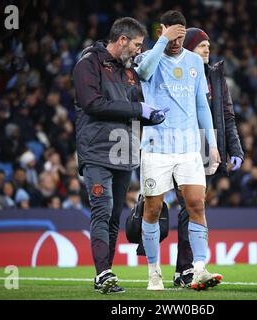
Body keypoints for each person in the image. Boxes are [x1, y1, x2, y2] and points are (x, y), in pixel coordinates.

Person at [72, 17, 166, 294]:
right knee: (101, 211)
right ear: (122, 40)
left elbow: (135, 107)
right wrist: (140, 111)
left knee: (114, 217)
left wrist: (153, 116)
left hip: (125, 152)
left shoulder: (129, 72)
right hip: (97, 151)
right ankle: (103, 273)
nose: (139, 51)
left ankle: (104, 274)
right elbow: (94, 104)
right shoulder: (88, 63)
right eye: (137, 45)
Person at [135, 11, 222, 291]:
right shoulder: (148, 57)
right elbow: (142, 73)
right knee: (153, 209)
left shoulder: (195, 62)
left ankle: (199, 269)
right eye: (172, 35)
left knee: (197, 205)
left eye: (181, 37)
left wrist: (212, 143)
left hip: (188, 150)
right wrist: (163, 40)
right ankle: (153, 274)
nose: (176, 42)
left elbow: (201, 106)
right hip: (156, 148)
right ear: (162, 31)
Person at [172, 28, 245, 288]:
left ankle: (186, 269)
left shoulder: (215, 76)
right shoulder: (176, 72)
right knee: (184, 208)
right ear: (189, 49)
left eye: (208, 45)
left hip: (207, 148)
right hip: (178, 144)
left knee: (192, 208)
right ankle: (183, 269)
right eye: (202, 45)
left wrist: (234, 150)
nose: (207, 49)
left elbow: (227, 115)